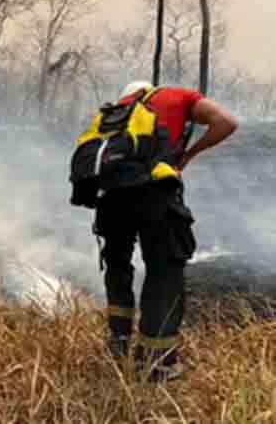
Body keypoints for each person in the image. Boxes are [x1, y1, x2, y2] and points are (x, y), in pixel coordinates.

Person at [94, 80, 238, 382]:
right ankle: (158, 364)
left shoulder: (119, 109)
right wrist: (189, 154)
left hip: (112, 197)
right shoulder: (177, 96)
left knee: (118, 265)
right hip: (155, 194)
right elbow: (226, 122)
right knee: (164, 270)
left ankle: (118, 343)